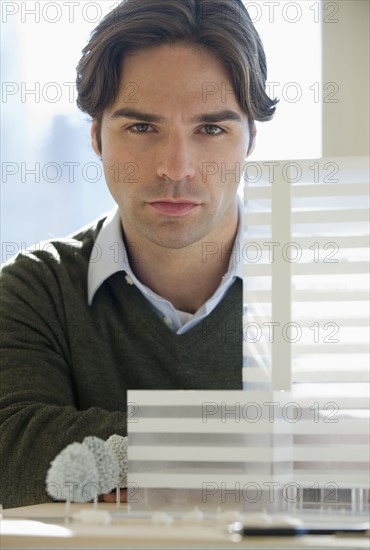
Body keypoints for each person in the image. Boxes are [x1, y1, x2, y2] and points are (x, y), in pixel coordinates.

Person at [0, 0, 277, 509]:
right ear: (96, 137)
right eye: (142, 128)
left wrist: (116, 463)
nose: (176, 168)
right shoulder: (35, 289)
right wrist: (261, 450)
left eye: (211, 129)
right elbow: (13, 451)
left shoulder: (334, 287)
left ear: (250, 140)